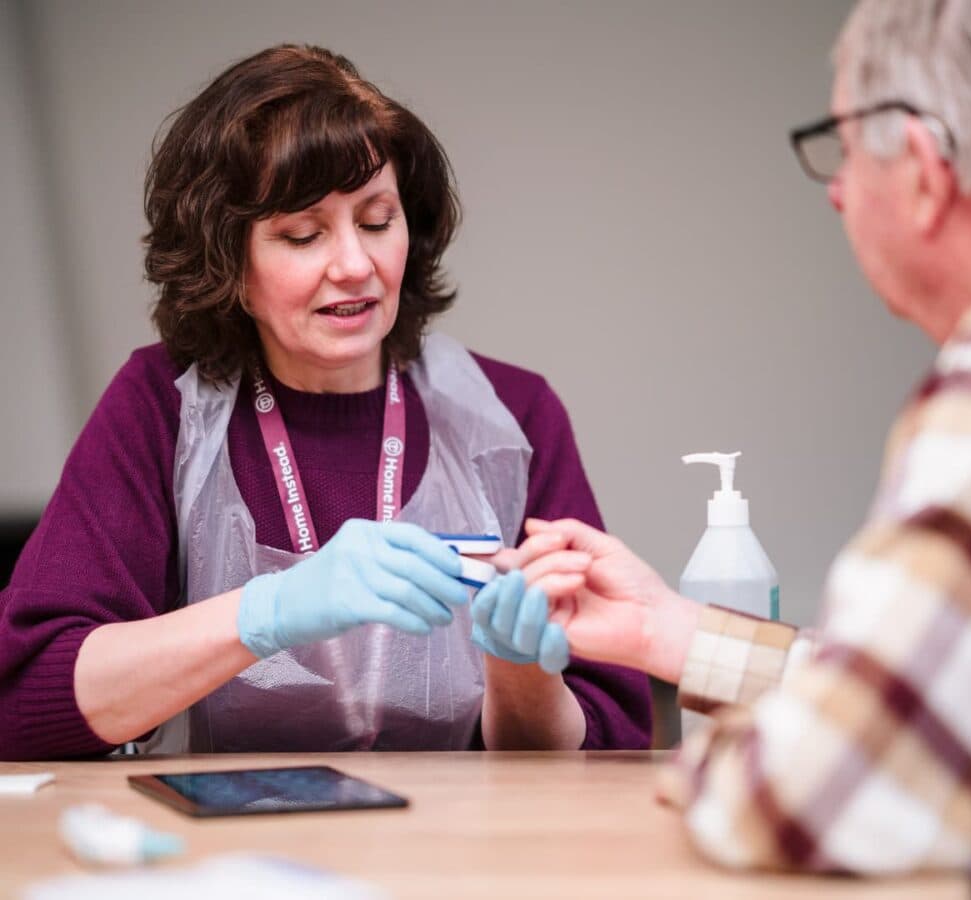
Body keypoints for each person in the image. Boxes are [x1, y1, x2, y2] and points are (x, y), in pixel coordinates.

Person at [0, 45, 650, 758]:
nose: (354, 266)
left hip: (461, 855)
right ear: (227, 263)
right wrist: (265, 613)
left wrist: (522, 674)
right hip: (225, 857)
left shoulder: (510, 416)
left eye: (377, 222)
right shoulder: (163, 406)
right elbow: (25, 703)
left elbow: (613, 743)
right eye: (302, 234)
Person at [473, 0, 971, 881]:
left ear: (920, 170)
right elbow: (916, 696)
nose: (834, 191)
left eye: (842, 151)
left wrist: (713, 762)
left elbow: (808, 793)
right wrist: (664, 629)